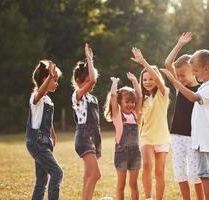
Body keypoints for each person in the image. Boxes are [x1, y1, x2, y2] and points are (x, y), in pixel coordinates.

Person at [161, 49, 209, 200]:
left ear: (206, 68)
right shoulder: (206, 87)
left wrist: (175, 81)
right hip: (205, 141)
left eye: (196, 71)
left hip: (204, 142)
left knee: (205, 176)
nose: (195, 74)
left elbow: (194, 97)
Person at [164, 32, 204, 200]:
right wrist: (180, 44)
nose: (179, 78)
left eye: (182, 75)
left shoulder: (202, 90)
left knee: (196, 175)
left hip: (194, 137)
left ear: (194, 72)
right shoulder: (179, 87)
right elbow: (167, 63)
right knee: (180, 174)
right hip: (177, 136)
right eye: (177, 75)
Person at [131, 47, 170, 200]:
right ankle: (148, 198)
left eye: (150, 79)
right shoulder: (142, 100)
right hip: (146, 137)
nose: (147, 82)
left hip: (162, 138)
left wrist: (143, 63)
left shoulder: (163, 93)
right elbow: (138, 120)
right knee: (147, 165)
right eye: (144, 79)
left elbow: (159, 80)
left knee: (159, 172)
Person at [26, 59, 63, 200]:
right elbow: (39, 94)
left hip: (44, 142)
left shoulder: (48, 100)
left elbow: (48, 121)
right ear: (45, 79)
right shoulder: (36, 97)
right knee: (57, 173)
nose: (57, 83)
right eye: (55, 80)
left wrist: (52, 135)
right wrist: (49, 77)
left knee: (42, 180)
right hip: (37, 143)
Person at [104, 72, 142, 200]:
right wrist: (115, 83)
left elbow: (140, 96)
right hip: (121, 153)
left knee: (134, 184)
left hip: (135, 153)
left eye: (132, 102)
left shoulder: (135, 115)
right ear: (120, 102)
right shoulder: (117, 115)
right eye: (127, 102)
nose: (131, 104)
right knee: (121, 184)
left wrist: (135, 81)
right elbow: (114, 96)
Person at [72, 43, 101, 200]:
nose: (92, 83)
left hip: (92, 137)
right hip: (83, 138)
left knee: (88, 175)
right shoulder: (78, 96)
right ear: (78, 81)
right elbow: (93, 81)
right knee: (96, 174)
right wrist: (90, 60)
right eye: (87, 80)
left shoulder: (92, 98)